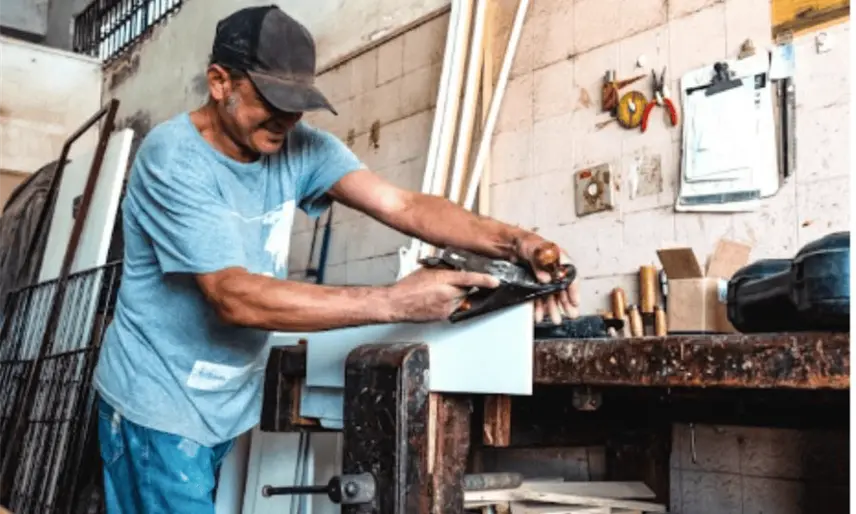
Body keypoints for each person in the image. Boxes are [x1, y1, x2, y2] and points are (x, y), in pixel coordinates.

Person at [92, 4, 579, 513]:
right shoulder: (174, 159)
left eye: (298, 104)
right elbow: (231, 297)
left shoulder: (297, 146)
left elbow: (404, 205)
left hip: (222, 403)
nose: (288, 119)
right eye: (273, 100)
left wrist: (518, 242)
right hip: (157, 406)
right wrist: (395, 302)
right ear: (219, 82)